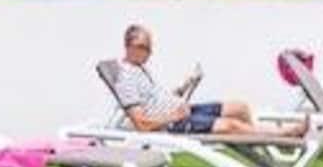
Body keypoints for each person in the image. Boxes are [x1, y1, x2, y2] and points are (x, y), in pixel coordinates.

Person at [112, 23, 292, 136]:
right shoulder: (125, 79)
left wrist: (183, 88)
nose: (149, 53)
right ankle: (281, 135)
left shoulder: (139, 69)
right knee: (230, 126)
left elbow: (154, 100)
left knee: (240, 107)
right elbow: (141, 124)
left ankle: (256, 139)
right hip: (172, 123)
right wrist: (174, 116)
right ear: (129, 46)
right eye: (144, 47)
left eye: (149, 48)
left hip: (181, 110)